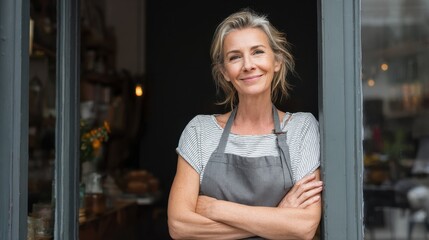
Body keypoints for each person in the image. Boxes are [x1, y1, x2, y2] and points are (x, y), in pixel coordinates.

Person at [168, 8, 322, 240]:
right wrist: (278, 218)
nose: (248, 65)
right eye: (235, 57)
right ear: (224, 72)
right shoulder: (199, 131)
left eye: (258, 52)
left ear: (277, 60)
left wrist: (217, 209)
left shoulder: (302, 128)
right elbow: (179, 226)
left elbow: (305, 227)